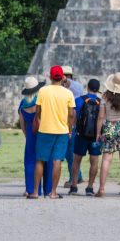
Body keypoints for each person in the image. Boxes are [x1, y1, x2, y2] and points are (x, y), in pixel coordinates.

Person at [28, 65, 76, 200]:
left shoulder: (43, 91)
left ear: (50, 77)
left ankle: (36, 192)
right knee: (57, 160)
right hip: (62, 131)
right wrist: (70, 129)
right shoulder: (68, 93)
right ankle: (53, 192)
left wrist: (40, 120)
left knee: (40, 160)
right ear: (62, 77)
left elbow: (38, 111)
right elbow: (71, 114)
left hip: (45, 130)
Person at [95, 72, 120, 197]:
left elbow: (101, 117)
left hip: (109, 127)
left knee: (106, 159)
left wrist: (98, 133)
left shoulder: (105, 96)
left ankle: (101, 189)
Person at [18, 76, 53, 197]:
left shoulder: (22, 104)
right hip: (44, 132)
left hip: (30, 134)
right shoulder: (42, 101)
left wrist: (27, 135)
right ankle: (48, 189)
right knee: (46, 160)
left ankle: (32, 189)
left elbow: (22, 123)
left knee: (30, 161)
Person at [70, 79, 102, 196]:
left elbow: (73, 117)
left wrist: (72, 129)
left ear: (87, 87)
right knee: (94, 161)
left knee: (76, 160)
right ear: (98, 89)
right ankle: (90, 187)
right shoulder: (101, 102)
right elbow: (102, 120)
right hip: (96, 137)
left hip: (81, 135)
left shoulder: (79, 100)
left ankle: (73, 186)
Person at [61, 65, 84, 189]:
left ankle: (74, 177)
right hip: (69, 122)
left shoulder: (73, 86)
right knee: (68, 153)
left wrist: (64, 81)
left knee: (70, 153)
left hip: (72, 122)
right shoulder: (67, 87)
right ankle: (77, 175)